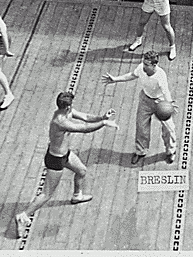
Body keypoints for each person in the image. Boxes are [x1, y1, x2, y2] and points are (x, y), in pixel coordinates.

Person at [15, 92, 118, 237]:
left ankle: (77, 196)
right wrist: (104, 124)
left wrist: (102, 117)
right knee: (46, 194)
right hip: (55, 160)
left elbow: (86, 118)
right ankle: (24, 216)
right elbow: (84, 128)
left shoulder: (67, 112)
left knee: (81, 170)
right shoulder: (60, 121)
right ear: (68, 106)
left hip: (66, 154)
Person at [102, 50, 177, 165]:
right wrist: (116, 79)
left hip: (160, 102)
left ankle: (170, 151)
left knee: (168, 128)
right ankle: (140, 151)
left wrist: (170, 103)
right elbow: (132, 75)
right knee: (141, 127)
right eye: (143, 63)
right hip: (145, 100)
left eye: (147, 65)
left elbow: (165, 91)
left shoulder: (160, 75)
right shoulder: (141, 68)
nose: (144, 66)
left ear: (154, 65)